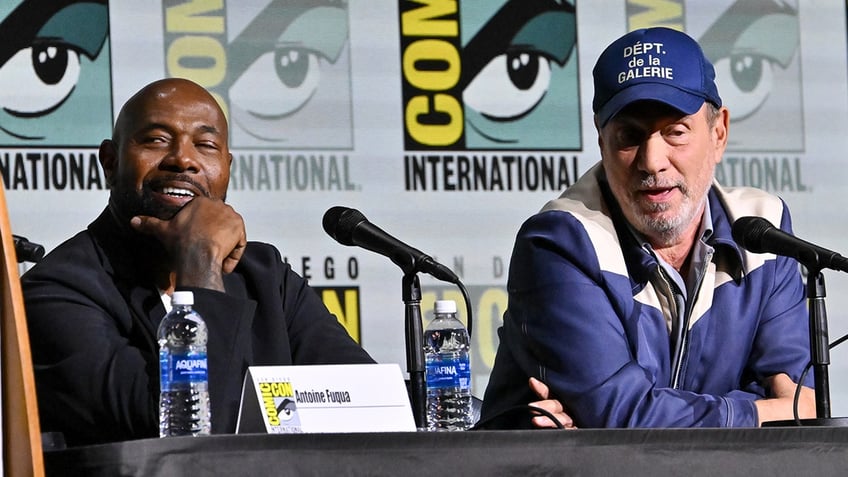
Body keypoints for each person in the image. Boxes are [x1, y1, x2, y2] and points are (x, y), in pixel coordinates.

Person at [480, 27, 815, 429]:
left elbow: (801, 408)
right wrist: (755, 410)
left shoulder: (765, 229)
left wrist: (655, 409)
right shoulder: (561, 242)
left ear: (719, 133)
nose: (652, 161)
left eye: (675, 132)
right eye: (629, 136)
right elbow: (622, 421)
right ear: (601, 141)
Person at [20, 78, 378, 446]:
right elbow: (187, 436)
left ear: (226, 168)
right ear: (110, 163)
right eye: (157, 140)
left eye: (205, 145)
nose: (183, 160)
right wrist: (201, 261)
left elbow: (368, 409)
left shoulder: (266, 276)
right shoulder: (57, 291)